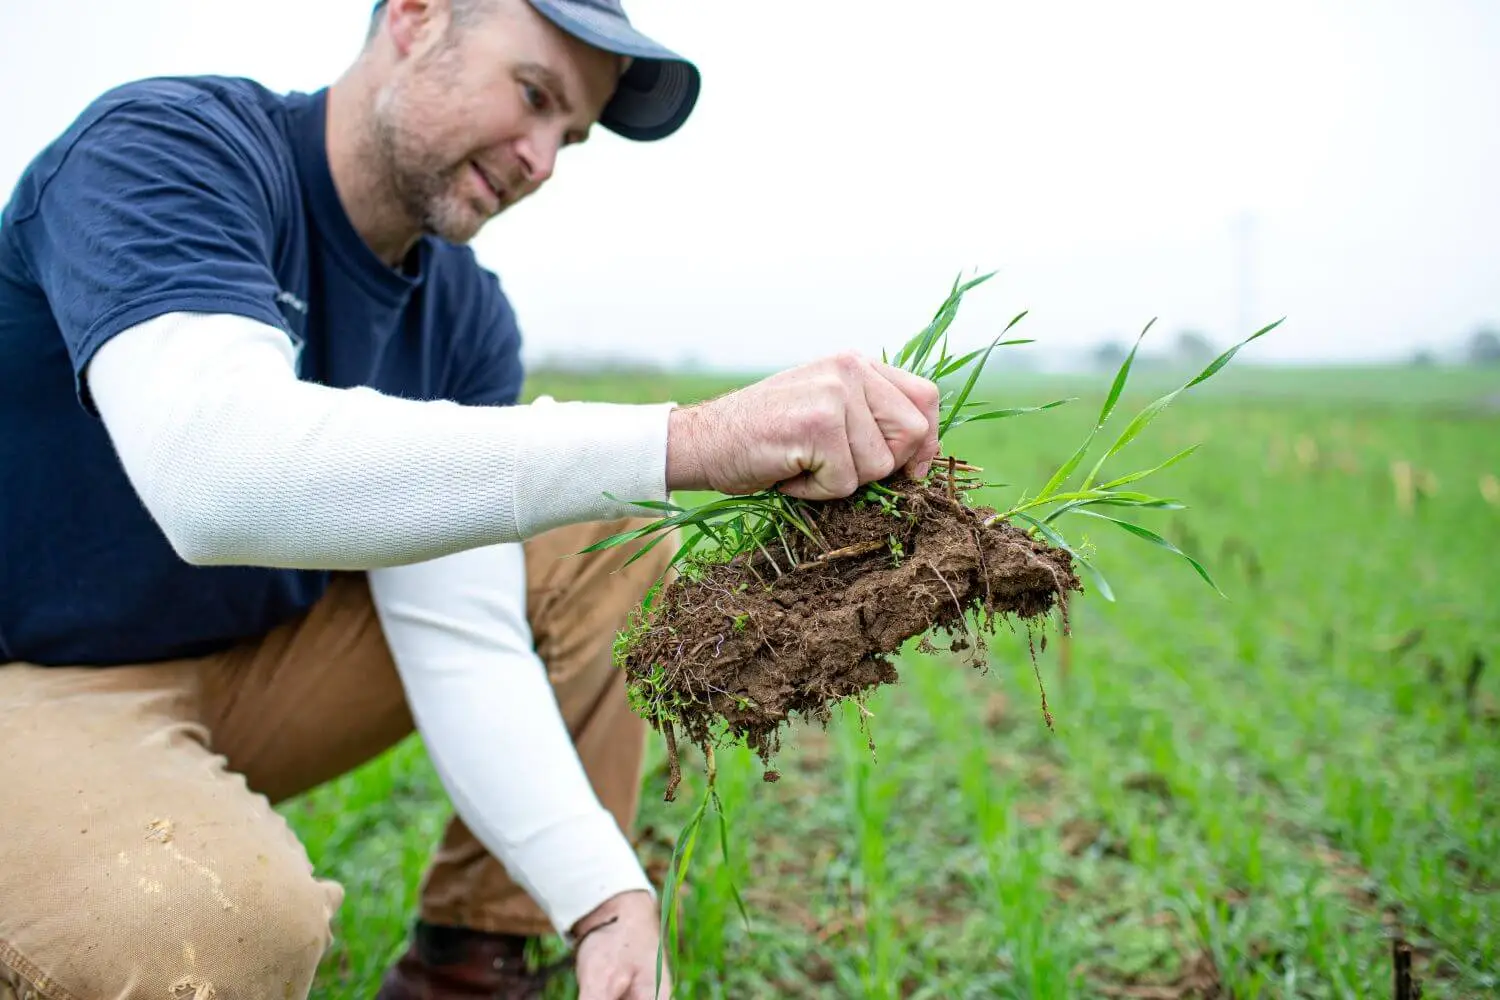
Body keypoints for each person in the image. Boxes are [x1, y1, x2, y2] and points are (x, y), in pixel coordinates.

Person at [0, 1, 941, 998]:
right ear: (415, 16)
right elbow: (214, 477)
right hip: (34, 675)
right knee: (211, 934)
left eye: (569, 135)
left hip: (247, 669)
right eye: (533, 95)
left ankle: (469, 962)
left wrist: (603, 896)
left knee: (595, 532)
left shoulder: (463, 315)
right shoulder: (170, 154)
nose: (542, 159)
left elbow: (460, 629)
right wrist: (691, 439)